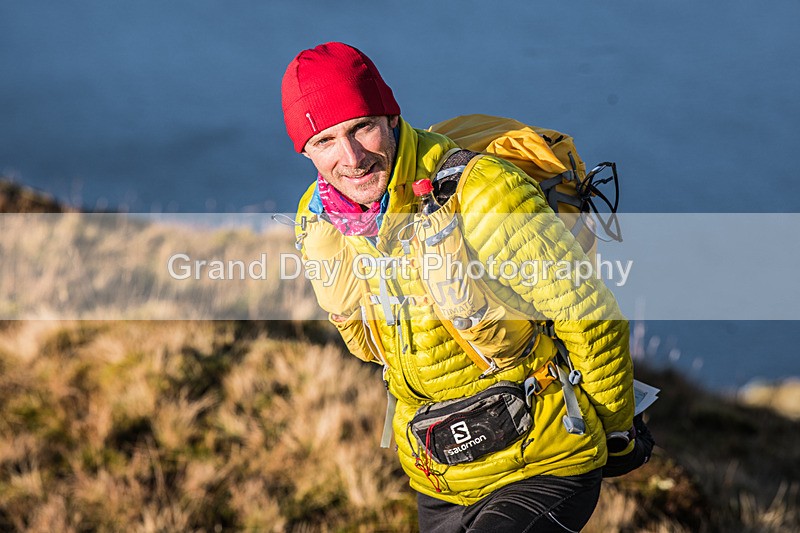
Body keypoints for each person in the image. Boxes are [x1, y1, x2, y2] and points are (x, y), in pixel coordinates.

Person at [281, 42, 644, 532]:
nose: (351, 158)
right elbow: (375, 350)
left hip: (546, 460)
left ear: (390, 117)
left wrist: (617, 427)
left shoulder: (481, 190)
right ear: (303, 149)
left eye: (361, 128)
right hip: (438, 478)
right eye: (324, 141)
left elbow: (590, 313)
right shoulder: (319, 220)